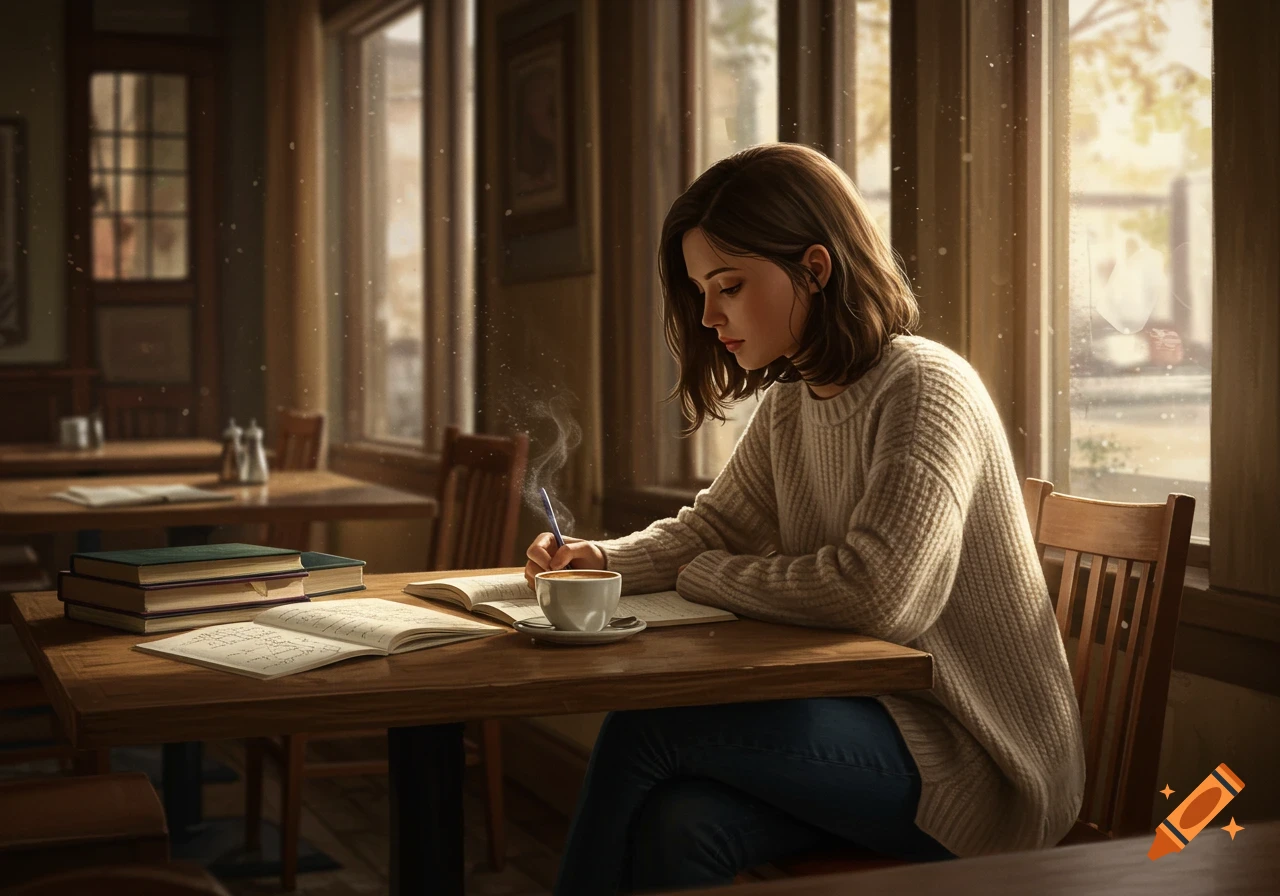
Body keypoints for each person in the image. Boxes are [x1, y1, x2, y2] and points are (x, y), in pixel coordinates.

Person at [523, 143, 1086, 894]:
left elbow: (881, 594)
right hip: (874, 725)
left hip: (975, 759)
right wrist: (600, 559)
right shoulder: (793, 401)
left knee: (646, 727)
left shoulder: (925, 385)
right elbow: (711, 526)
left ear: (816, 269)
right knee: (680, 824)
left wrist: (709, 577)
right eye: (699, 291)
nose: (708, 315)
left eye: (728, 285)